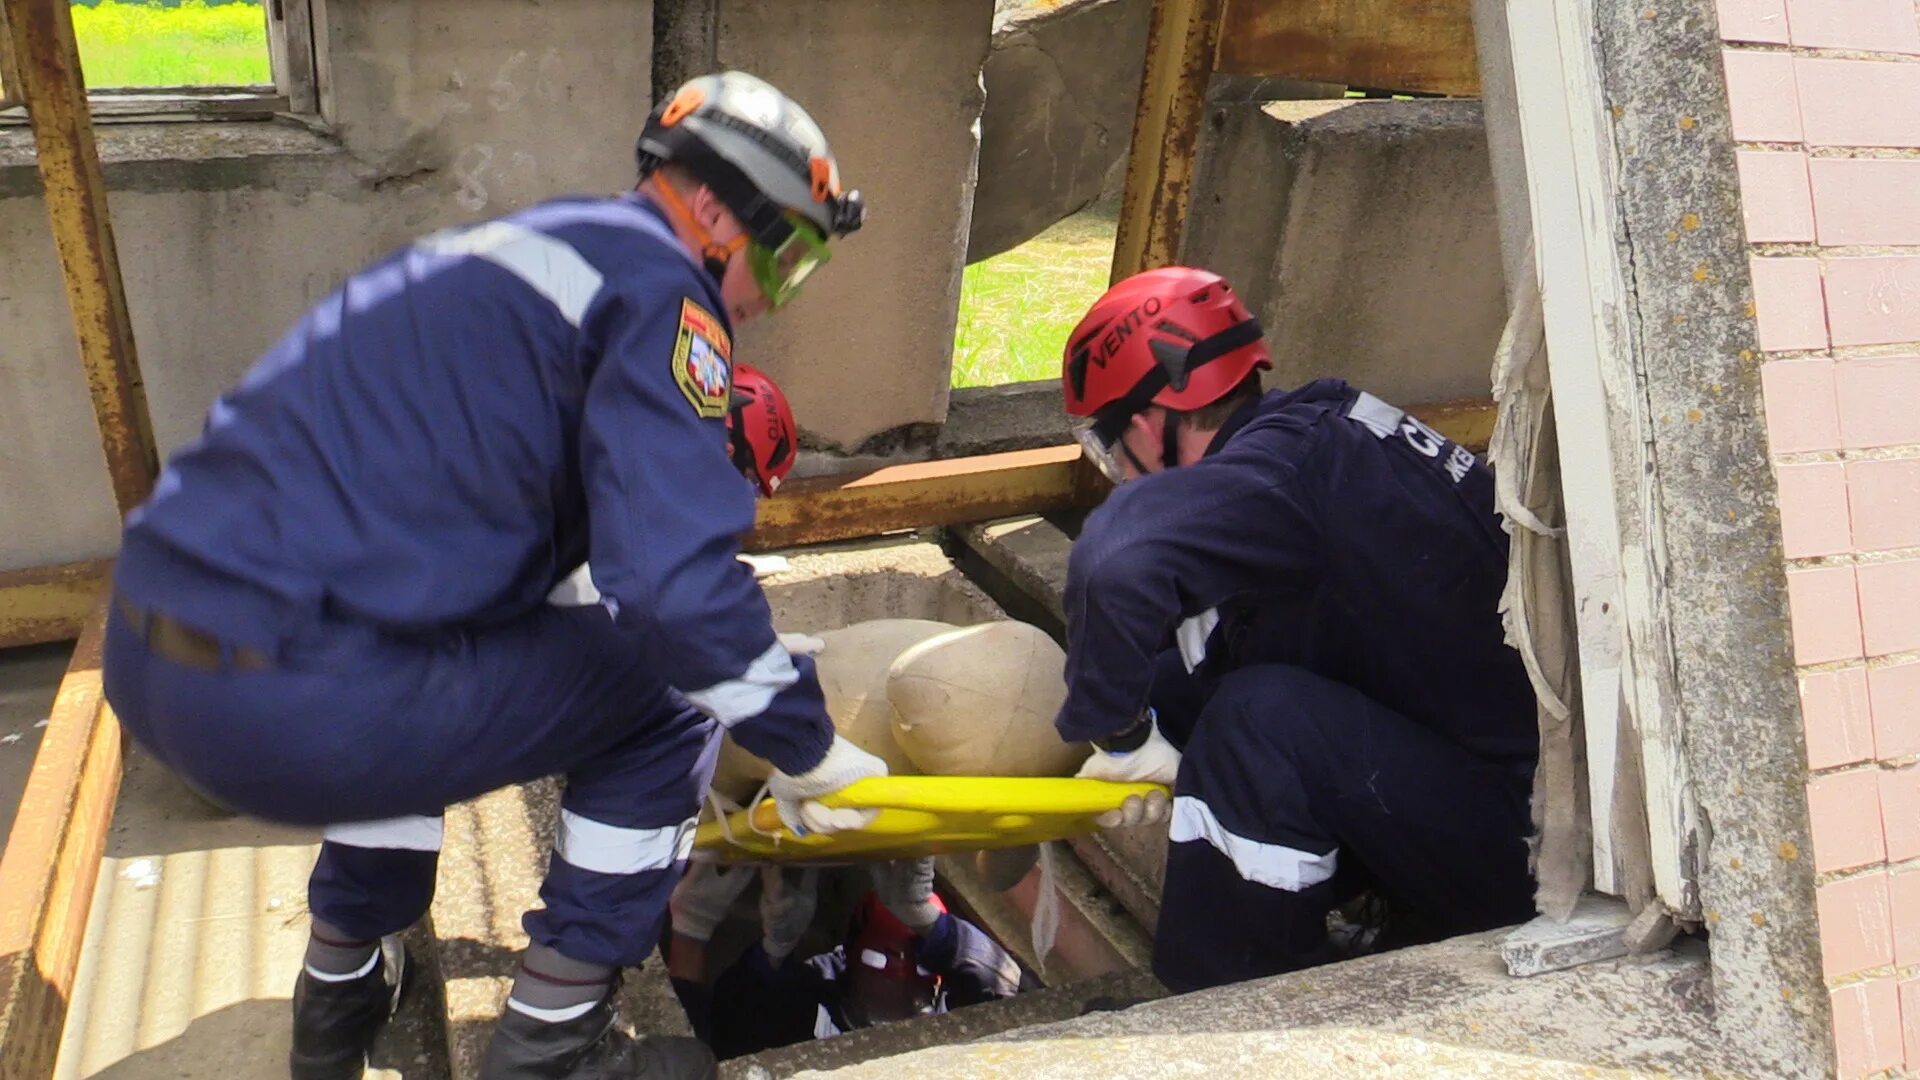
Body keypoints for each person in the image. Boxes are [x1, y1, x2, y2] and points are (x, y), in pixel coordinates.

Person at [99, 70, 891, 1080]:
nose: (764, 299)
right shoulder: (661, 291)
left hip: (156, 665)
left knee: (429, 639)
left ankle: (339, 993)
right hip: (294, 706)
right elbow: (672, 595)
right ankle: (557, 1041)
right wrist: (808, 746)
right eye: (781, 260)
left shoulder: (513, 258)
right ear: (711, 206)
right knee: (670, 694)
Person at [1057, 266, 1540, 993]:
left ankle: (1224, 1011)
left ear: (1154, 421)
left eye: (1106, 443)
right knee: (1195, 684)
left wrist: (1120, 734)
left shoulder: (1290, 470)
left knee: (1258, 725)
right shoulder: (1317, 441)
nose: (1114, 470)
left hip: (1533, 856)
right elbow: (1221, 643)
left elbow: (1115, 563)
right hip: (1483, 788)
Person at [664, 858, 1021, 1058]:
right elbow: (734, 1031)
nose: (895, 987)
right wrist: (772, 954)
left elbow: (1013, 1001)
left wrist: (936, 930)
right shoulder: (819, 990)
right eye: (883, 963)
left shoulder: (957, 990)